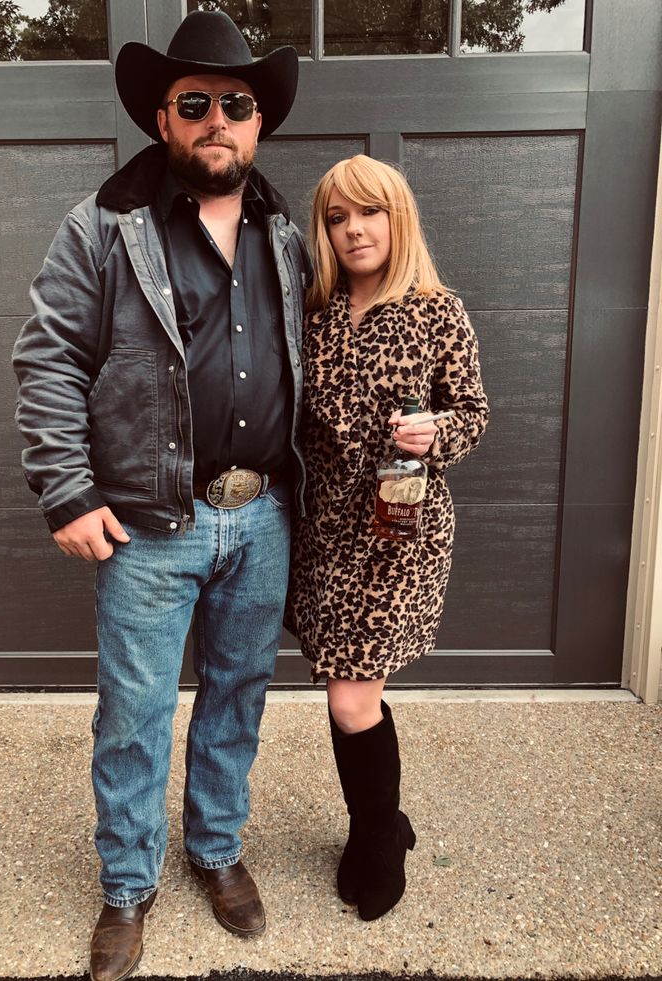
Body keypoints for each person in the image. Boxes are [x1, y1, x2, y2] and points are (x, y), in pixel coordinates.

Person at [12, 10, 310, 978]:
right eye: (196, 104)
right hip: (147, 527)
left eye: (237, 104)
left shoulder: (285, 232)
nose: (217, 119)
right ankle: (128, 886)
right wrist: (65, 491)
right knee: (134, 715)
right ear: (162, 117)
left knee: (238, 699)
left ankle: (216, 852)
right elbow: (48, 357)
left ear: (257, 122)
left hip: (260, 517)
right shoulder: (104, 226)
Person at [285, 155, 489, 922]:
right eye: (337, 218)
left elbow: (472, 412)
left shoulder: (440, 311)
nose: (353, 229)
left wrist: (437, 432)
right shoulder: (317, 313)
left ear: (396, 219)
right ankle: (381, 821)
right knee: (346, 691)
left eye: (367, 213)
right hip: (329, 532)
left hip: (400, 533)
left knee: (349, 696)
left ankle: (376, 838)